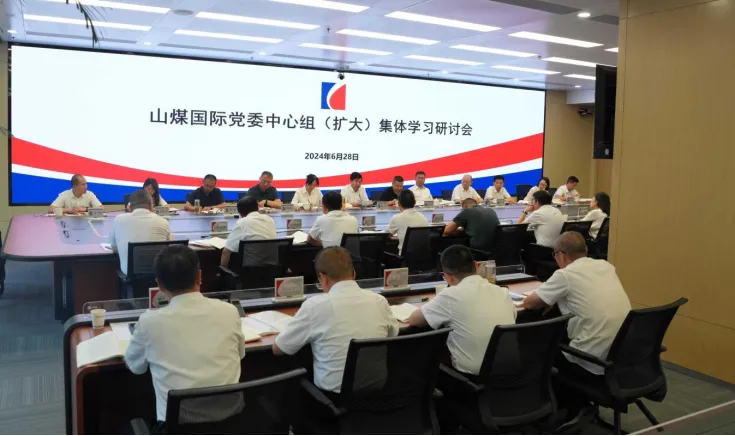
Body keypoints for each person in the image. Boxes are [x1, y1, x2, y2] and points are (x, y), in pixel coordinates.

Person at [125, 245, 245, 430]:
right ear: (199, 277)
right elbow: (241, 354)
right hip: (230, 425)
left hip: (176, 429)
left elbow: (135, 367)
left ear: (159, 285)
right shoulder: (229, 311)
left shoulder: (149, 322)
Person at [273, 247, 399, 395]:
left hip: (331, 397)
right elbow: (393, 334)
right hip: (377, 392)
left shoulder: (315, 306)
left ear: (323, 278)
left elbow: (279, 349)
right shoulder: (379, 301)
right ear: (354, 273)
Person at [522, 232, 631, 377]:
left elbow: (529, 303)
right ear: (585, 250)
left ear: (561, 255)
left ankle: (544, 388)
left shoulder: (565, 274)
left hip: (590, 360)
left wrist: (549, 299)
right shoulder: (606, 266)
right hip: (622, 355)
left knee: (537, 345)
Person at [408, 245, 515, 375]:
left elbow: (415, 320)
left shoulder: (450, 295)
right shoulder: (502, 292)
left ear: (448, 277)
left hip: (471, 376)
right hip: (510, 370)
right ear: (476, 265)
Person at [109, 190, 171, 276]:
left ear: (130, 207)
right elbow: (167, 248)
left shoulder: (118, 220)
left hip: (130, 275)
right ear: (151, 205)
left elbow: (114, 248)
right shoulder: (163, 222)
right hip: (158, 275)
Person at [221, 196, 277, 267]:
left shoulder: (242, 222)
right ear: (258, 208)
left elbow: (226, 251)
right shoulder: (270, 220)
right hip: (273, 269)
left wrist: (223, 270)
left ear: (240, 214)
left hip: (250, 270)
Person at [387, 190, 429, 254]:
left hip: (405, 257)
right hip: (424, 256)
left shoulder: (397, 218)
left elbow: (386, 235)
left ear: (399, 204)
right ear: (414, 202)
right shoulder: (423, 217)